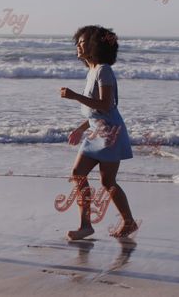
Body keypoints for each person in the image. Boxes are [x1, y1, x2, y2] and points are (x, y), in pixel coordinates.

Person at [59, 25, 138, 240]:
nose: (78, 45)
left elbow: (105, 105)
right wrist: (81, 128)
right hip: (96, 133)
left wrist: (75, 96)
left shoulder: (104, 70)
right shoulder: (91, 71)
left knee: (108, 182)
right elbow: (95, 111)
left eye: (82, 42)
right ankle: (86, 226)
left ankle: (129, 222)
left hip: (111, 134)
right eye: (78, 42)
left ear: (94, 45)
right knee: (78, 174)